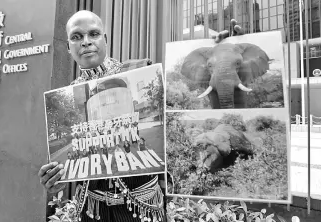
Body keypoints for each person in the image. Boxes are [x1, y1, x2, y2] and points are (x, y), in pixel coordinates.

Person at [38, 10, 244, 222]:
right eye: (76, 37)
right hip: (93, 211)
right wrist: (57, 178)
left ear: (105, 39)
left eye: (94, 34)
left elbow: (190, 102)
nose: (86, 42)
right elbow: (69, 161)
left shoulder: (140, 71)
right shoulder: (68, 100)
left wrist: (221, 57)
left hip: (143, 209)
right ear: (67, 47)